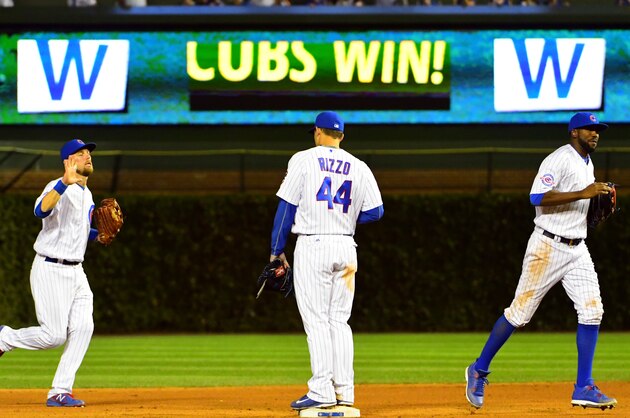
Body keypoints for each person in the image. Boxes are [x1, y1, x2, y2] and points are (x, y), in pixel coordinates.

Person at [465, 112, 617, 410]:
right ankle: (479, 369)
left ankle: (584, 386)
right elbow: (536, 196)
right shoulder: (559, 159)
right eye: (589, 129)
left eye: (598, 130)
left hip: (577, 249)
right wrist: (583, 192)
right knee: (519, 314)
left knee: (592, 311)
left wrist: (591, 206)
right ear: (574, 133)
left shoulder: (588, 162)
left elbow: (579, 203)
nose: (595, 134)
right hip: (547, 246)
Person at [267, 111, 384, 411]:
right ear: (341, 136)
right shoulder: (359, 166)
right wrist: (343, 217)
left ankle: (321, 389)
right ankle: (345, 391)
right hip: (346, 246)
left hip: (313, 244)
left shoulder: (303, 160)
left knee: (317, 319)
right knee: (339, 321)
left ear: (318, 132)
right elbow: (376, 211)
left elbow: (287, 206)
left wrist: (275, 250)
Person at [0, 139, 104, 407]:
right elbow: (39, 210)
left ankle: (60, 391)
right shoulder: (57, 186)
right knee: (54, 336)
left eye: (88, 153)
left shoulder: (87, 194)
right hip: (50, 268)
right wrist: (62, 183)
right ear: (67, 162)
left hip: (76, 271)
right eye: (80, 154)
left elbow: (76, 231)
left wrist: (97, 236)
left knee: (84, 327)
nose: (87, 157)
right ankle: (5, 337)